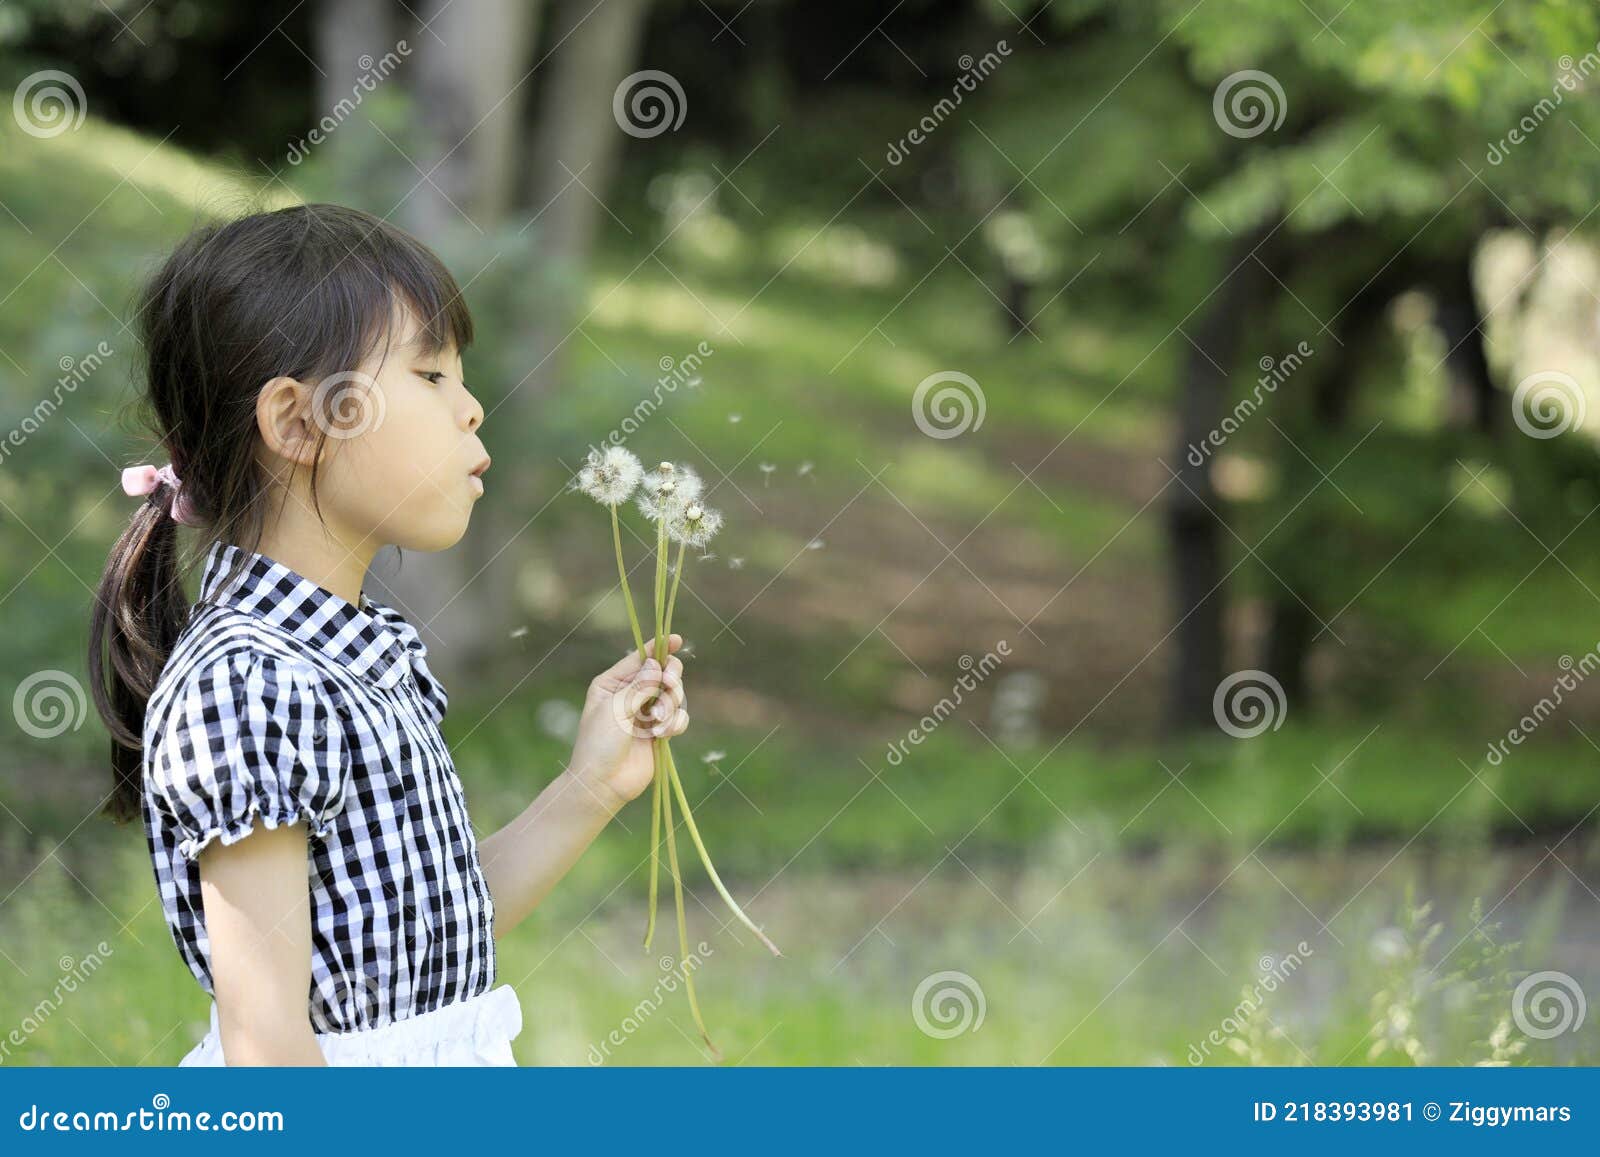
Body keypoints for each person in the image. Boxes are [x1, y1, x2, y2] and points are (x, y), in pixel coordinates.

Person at [88, 203, 688, 1065]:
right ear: (297, 421)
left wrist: (589, 788)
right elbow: (268, 1044)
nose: (472, 409)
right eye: (432, 376)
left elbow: (424, 946)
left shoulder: (352, 655)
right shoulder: (251, 684)